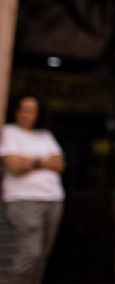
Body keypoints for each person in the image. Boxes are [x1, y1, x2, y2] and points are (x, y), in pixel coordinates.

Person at [0, 94, 65, 284]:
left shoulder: (45, 135)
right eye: (23, 109)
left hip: (53, 199)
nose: (26, 114)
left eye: (31, 110)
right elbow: (15, 166)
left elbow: (59, 165)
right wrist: (44, 162)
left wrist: (29, 161)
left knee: (41, 256)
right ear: (16, 111)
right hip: (23, 200)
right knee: (30, 254)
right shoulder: (8, 132)